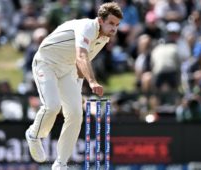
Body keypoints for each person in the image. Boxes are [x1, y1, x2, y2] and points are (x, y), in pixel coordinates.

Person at [25, 2, 123, 169]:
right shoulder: (87, 27)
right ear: (100, 20)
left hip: (67, 69)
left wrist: (77, 91)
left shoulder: (104, 38)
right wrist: (92, 82)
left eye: (117, 25)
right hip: (46, 62)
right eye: (111, 23)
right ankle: (34, 134)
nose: (114, 28)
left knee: (76, 114)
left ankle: (60, 164)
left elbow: (81, 65)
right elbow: (81, 57)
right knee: (52, 106)